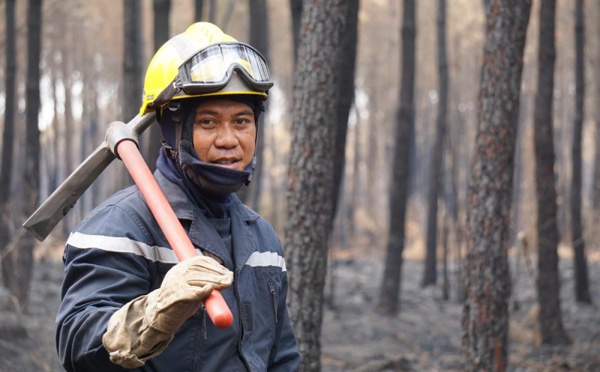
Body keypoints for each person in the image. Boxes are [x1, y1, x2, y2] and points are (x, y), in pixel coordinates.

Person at [56, 22, 300, 371]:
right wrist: (152, 315)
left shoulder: (263, 240)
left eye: (242, 121)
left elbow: (282, 359)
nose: (229, 139)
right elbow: (76, 345)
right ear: (172, 130)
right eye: (208, 123)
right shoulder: (120, 228)